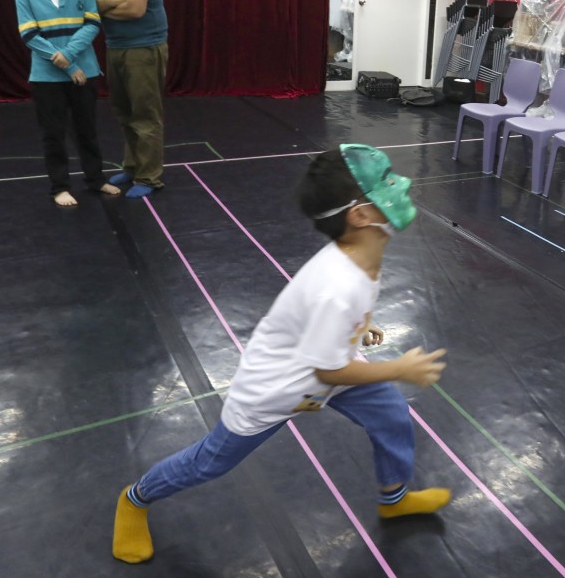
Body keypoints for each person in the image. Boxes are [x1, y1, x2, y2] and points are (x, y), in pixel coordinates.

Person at [112, 144, 452, 564]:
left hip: (327, 366)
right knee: (210, 462)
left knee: (392, 415)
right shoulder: (338, 285)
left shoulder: (364, 254)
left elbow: (338, 322)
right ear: (360, 215)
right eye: (384, 181)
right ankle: (134, 499)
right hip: (277, 388)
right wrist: (398, 368)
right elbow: (330, 371)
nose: (399, 183)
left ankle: (394, 499)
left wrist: (360, 325)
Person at [13, 0, 120, 206]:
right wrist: (67, 66)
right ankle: (59, 187)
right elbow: (29, 34)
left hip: (86, 72)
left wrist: (70, 55)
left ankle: (96, 179)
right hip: (47, 77)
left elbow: (92, 23)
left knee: (87, 129)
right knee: (53, 134)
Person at [72, 0, 168, 198]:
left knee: (144, 114)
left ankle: (149, 176)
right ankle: (132, 165)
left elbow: (136, 9)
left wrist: (101, 4)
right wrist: (116, 0)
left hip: (145, 45)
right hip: (115, 45)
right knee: (124, 112)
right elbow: (85, 6)